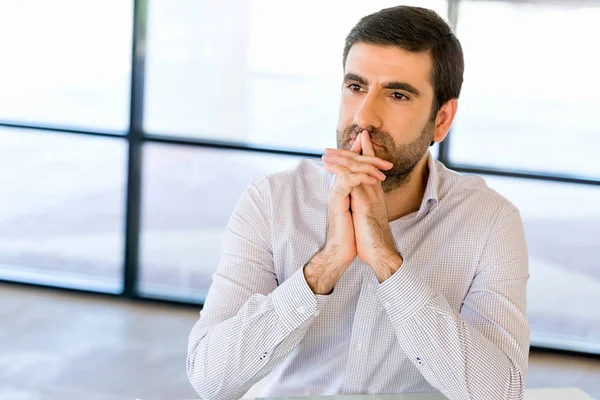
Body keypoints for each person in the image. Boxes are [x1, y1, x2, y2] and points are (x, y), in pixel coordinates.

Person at [187, 5, 529, 400]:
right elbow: (210, 379)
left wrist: (387, 261)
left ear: (442, 119)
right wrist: (326, 264)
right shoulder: (272, 201)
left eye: (397, 94)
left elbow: (501, 394)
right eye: (355, 87)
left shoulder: (490, 221)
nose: (365, 116)